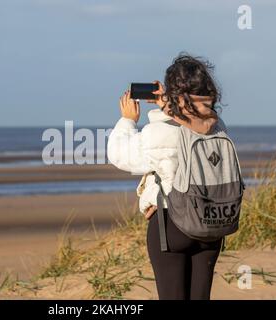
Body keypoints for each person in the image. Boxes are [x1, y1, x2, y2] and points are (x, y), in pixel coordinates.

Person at [107, 53, 227, 300]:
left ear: (174, 92)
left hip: (172, 223)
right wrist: (167, 105)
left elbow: (121, 156)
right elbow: (190, 121)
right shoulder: (217, 126)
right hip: (211, 223)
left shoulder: (159, 131)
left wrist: (127, 121)